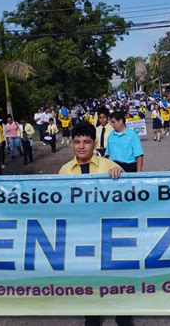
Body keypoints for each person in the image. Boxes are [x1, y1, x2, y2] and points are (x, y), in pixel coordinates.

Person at [57, 122, 128, 326]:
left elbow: (130, 195)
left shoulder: (110, 166)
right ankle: (92, 316)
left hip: (108, 235)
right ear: (72, 144)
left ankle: (123, 315)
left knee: (115, 278)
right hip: (81, 235)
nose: (81, 146)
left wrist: (120, 176)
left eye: (86, 142)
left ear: (94, 144)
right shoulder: (64, 171)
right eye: (77, 142)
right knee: (89, 277)